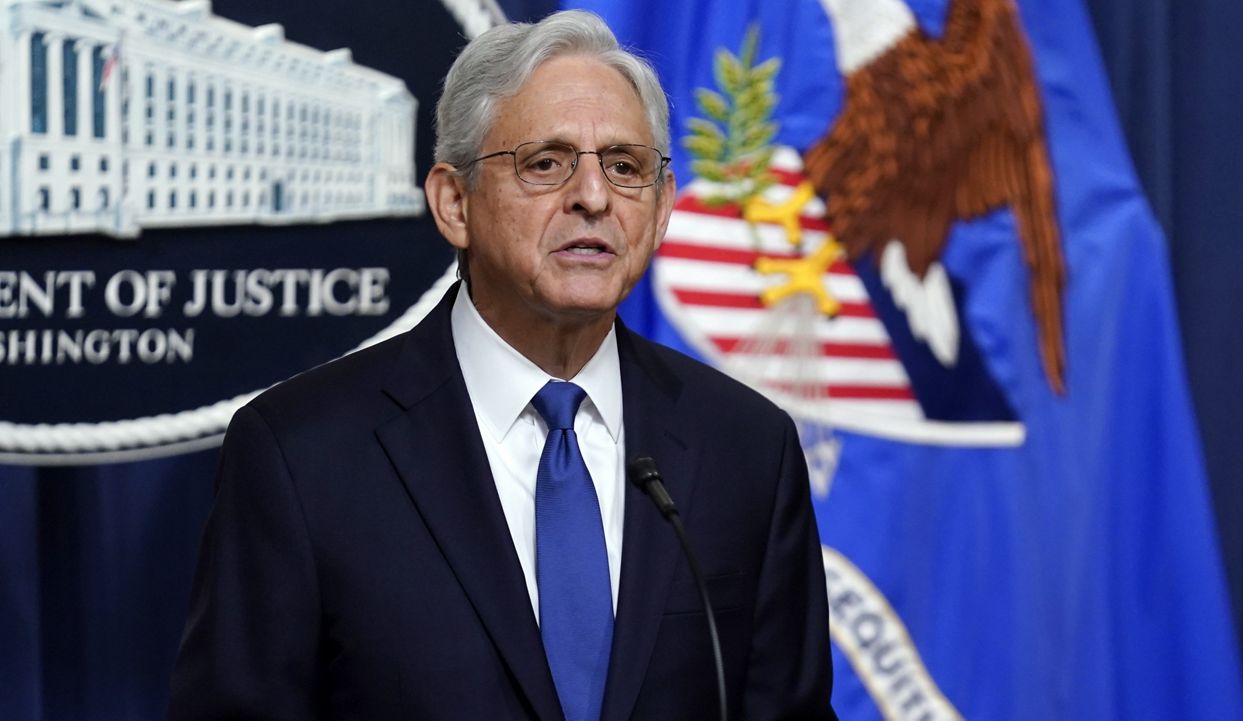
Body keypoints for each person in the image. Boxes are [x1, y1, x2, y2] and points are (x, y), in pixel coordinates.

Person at [167, 10, 835, 721]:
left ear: (663, 206)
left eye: (625, 165)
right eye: (546, 162)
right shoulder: (302, 455)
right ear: (455, 203)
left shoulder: (745, 447)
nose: (594, 197)